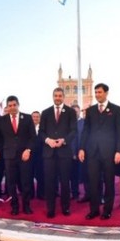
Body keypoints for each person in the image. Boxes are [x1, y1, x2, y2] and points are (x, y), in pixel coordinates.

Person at [79, 83, 120, 220]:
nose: (97, 94)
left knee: (109, 182)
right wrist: (81, 148)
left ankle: (107, 210)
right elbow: (86, 130)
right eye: (96, 92)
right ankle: (94, 210)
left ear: (106, 93)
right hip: (92, 153)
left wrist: (119, 151)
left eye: (99, 92)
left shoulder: (116, 110)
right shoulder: (91, 110)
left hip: (109, 153)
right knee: (93, 182)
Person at [38, 88, 77, 218]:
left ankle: (65, 208)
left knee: (65, 182)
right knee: (49, 183)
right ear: (52, 96)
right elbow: (41, 132)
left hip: (64, 153)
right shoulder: (46, 112)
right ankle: (51, 209)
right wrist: (48, 140)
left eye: (60, 96)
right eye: (56, 95)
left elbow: (73, 131)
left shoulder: (70, 112)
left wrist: (64, 140)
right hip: (49, 154)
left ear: (63, 97)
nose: (58, 98)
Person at [0, 95, 35, 215]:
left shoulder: (27, 118)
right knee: (11, 183)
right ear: (7, 107)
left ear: (18, 105)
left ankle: (26, 206)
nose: (12, 107)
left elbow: (33, 137)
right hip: (9, 156)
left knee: (26, 182)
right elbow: (0, 139)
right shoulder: (2, 120)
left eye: (14, 105)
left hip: (24, 156)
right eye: (10, 106)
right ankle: (14, 206)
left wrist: (28, 150)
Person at [30, 110, 44, 200]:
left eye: (37, 117)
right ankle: (30, 194)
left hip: (41, 156)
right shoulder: (27, 128)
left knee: (41, 175)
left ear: (40, 118)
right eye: (34, 117)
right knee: (29, 175)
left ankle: (41, 194)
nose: (35, 118)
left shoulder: (43, 128)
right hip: (30, 155)